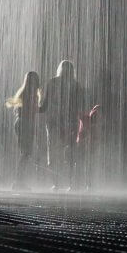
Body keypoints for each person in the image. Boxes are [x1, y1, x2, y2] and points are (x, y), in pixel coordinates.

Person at [40, 60, 86, 190]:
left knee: (54, 153)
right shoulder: (76, 86)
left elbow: (44, 106)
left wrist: (31, 109)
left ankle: (56, 184)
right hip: (69, 121)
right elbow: (80, 106)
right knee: (70, 153)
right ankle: (71, 183)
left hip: (54, 122)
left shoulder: (52, 82)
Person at [6, 71, 41, 190]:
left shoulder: (23, 93)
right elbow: (31, 111)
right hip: (25, 124)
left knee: (25, 153)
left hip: (21, 123)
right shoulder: (30, 95)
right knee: (26, 153)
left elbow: (18, 107)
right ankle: (18, 182)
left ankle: (19, 181)